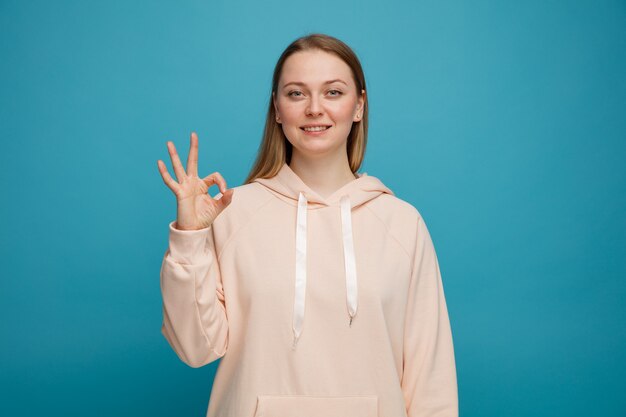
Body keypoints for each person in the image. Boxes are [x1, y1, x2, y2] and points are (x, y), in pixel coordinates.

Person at [157, 33, 458, 417]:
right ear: (277, 109)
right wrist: (190, 236)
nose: (315, 108)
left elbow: (430, 379)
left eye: (333, 92)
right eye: (297, 94)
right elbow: (194, 347)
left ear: (359, 106)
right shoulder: (232, 211)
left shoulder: (402, 224)